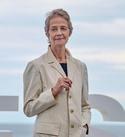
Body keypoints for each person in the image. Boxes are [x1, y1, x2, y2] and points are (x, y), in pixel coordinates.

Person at [23, 9, 91, 137]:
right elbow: (28, 108)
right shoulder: (36, 66)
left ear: (70, 32)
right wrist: (53, 92)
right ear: (46, 33)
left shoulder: (81, 67)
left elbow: (85, 106)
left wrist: (84, 125)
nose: (59, 33)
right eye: (54, 29)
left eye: (63, 28)